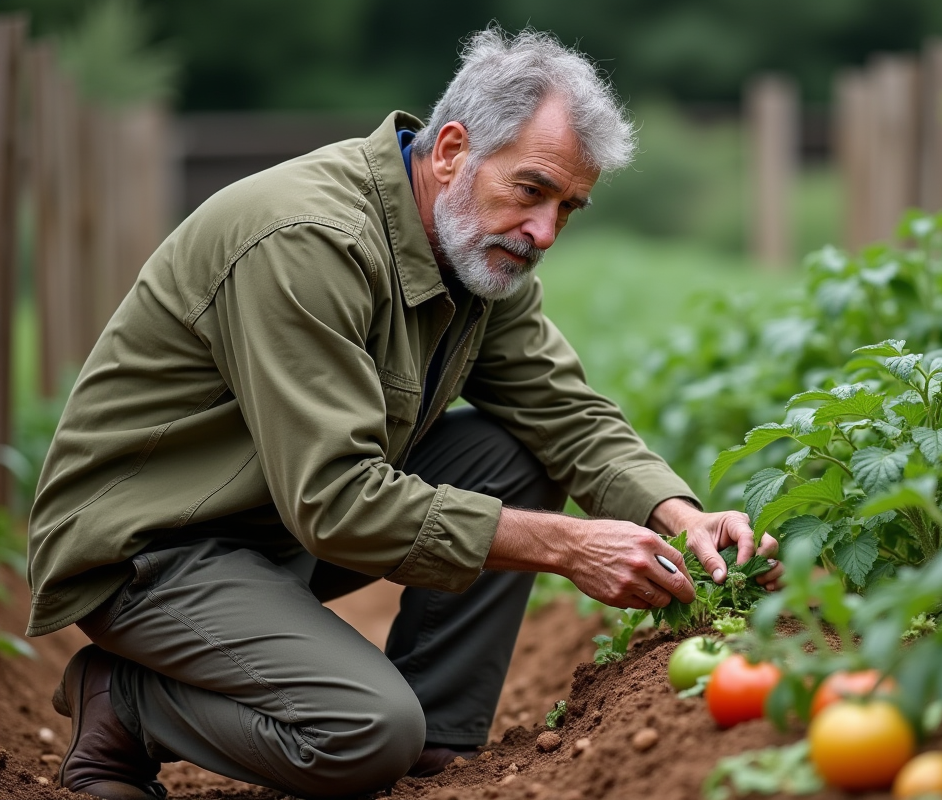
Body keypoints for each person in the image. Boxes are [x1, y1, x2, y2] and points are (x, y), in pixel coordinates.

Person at [26, 27, 783, 800]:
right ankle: (123, 705)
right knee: (365, 732)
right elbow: (335, 498)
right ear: (452, 149)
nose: (545, 231)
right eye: (531, 190)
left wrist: (678, 515)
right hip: (152, 544)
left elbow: (564, 411)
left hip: (266, 519)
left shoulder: (472, 250)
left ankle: (439, 748)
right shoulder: (309, 241)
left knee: (512, 451)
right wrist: (565, 545)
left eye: (569, 207)